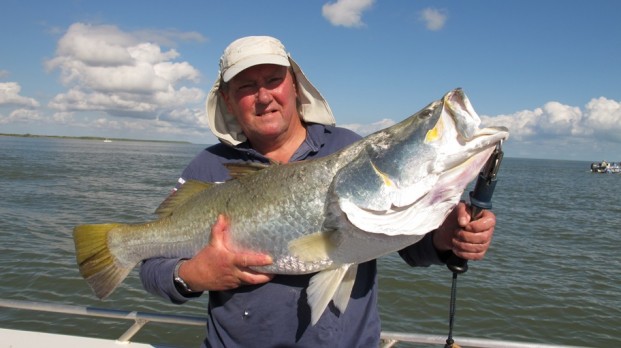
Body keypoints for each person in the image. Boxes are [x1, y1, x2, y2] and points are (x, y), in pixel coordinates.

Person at [140, 35, 496, 347]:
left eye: (273, 80)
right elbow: (150, 265)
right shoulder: (208, 166)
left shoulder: (345, 148)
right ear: (229, 102)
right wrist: (191, 276)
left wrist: (444, 238)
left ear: (294, 86)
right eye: (246, 87)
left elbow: (402, 241)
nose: (264, 97)